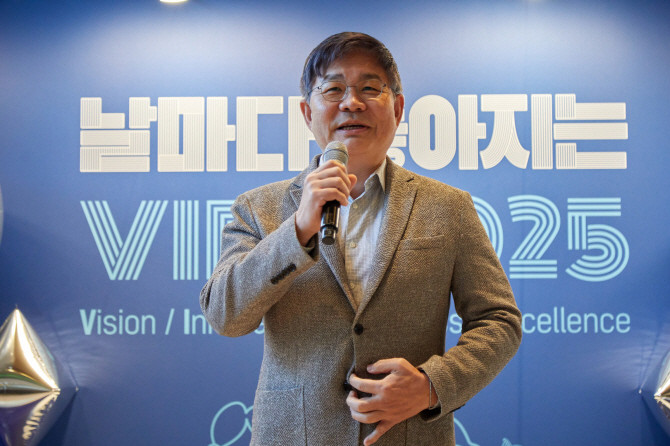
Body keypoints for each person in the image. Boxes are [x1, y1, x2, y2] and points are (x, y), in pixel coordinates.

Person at [200, 32, 522, 446]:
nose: (351, 103)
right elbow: (226, 316)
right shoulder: (257, 208)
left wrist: (431, 385)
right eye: (333, 89)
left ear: (398, 108)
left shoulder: (448, 207)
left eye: (370, 88)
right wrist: (297, 230)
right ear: (307, 112)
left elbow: (499, 320)